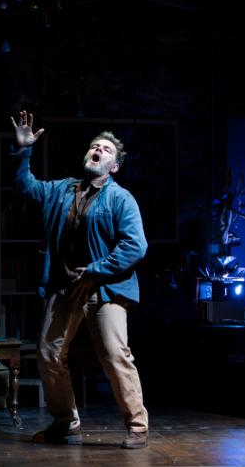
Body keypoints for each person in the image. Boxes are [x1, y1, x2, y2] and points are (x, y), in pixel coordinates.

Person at [10, 110, 149, 450]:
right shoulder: (62, 190)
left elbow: (135, 245)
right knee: (48, 354)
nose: (97, 150)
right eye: (94, 146)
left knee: (114, 354)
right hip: (65, 285)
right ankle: (66, 422)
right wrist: (24, 150)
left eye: (105, 149)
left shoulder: (120, 198)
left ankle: (137, 426)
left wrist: (96, 270)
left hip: (104, 287)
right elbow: (25, 187)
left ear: (114, 167)